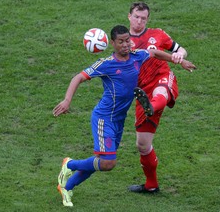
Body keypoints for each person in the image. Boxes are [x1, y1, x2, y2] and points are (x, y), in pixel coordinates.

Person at [53, 25, 195, 207]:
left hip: (118, 120)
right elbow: (78, 77)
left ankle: (67, 186)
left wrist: (178, 61)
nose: (125, 44)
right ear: (112, 43)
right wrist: (66, 100)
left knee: (102, 160)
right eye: (120, 41)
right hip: (104, 118)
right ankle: (70, 164)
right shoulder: (106, 64)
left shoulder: (137, 55)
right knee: (108, 162)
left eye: (127, 40)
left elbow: (155, 53)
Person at [127, 2, 196, 193]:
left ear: (147, 19)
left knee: (161, 93)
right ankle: (151, 185)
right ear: (129, 16)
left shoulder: (157, 34)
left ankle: (151, 105)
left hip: (162, 79)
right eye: (136, 17)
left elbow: (180, 49)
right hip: (141, 91)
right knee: (143, 144)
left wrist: (179, 57)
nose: (140, 21)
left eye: (143, 18)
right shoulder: (123, 41)